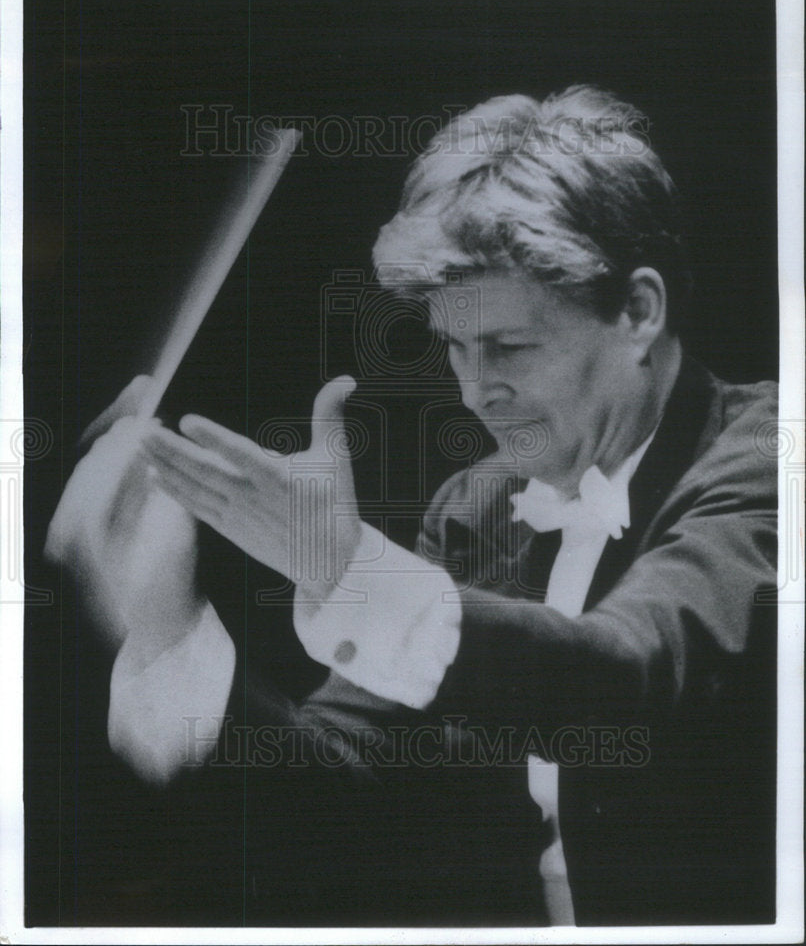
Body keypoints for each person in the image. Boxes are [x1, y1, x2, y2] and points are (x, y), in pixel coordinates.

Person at [45, 85, 777, 926]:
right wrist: (168, 630)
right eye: (455, 349)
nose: (475, 393)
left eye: (510, 346)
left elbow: (634, 673)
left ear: (639, 311)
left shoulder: (768, 456)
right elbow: (342, 790)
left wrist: (349, 573)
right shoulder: (477, 505)